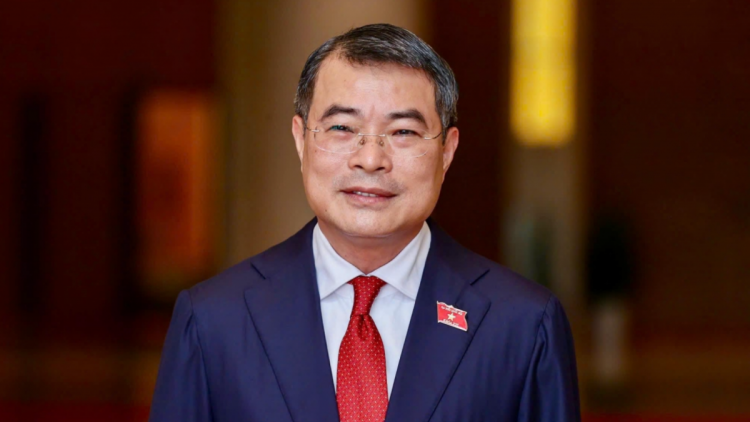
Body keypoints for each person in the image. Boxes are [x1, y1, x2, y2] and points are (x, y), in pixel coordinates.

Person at [149, 23, 580, 422]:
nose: (370, 159)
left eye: (403, 132)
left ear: (447, 151)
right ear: (301, 139)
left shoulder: (523, 324)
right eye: (342, 127)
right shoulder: (213, 320)